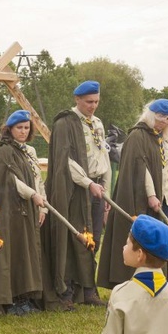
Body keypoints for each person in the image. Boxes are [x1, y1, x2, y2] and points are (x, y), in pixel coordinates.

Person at [98, 99, 168, 290]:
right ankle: (137, 280)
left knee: (163, 238)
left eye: (166, 119)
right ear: (150, 115)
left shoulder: (164, 138)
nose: (163, 122)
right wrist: (151, 194)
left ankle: (164, 279)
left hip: (164, 199)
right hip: (144, 200)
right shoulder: (138, 136)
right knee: (144, 241)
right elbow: (141, 168)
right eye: (159, 118)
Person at [42, 80, 110, 311]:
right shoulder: (65, 123)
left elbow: (104, 159)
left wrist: (105, 190)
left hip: (97, 188)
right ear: (77, 99)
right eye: (89, 102)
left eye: (96, 102)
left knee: (94, 238)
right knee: (74, 238)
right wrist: (87, 182)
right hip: (75, 189)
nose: (93, 106)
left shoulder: (97, 123)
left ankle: (88, 289)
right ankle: (67, 290)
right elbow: (65, 161)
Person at [0, 110, 45, 316]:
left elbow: (35, 178)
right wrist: (32, 195)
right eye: (19, 128)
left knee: (23, 252)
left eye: (26, 128)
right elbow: (11, 180)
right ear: (10, 129)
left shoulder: (24, 151)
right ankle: (7, 299)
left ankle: (23, 296)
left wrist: (39, 201)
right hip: (5, 211)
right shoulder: (3, 151)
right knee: (8, 253)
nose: (23, 131)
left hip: (22, 210)